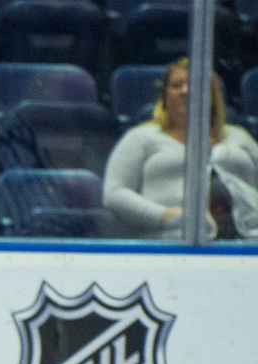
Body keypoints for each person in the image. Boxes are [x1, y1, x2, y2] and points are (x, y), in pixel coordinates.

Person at [103, 57, 258, 239]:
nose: (186, 91)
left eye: (197, 85)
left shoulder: (239, 136)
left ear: (213, 96)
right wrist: (165, 216)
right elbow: (114, 193)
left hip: (247, 244)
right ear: (164, 96)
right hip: (171, 243)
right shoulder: (141, 137)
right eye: (176, 85)